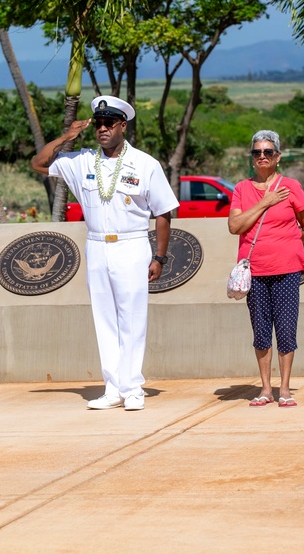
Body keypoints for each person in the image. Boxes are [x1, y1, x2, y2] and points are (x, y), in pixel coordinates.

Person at [31, 96, 178, 411]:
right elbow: (38, 164)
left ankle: (133, 387)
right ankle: (113, 387)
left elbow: (164, 212)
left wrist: (160, 256)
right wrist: (66, 138)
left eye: (109, 123)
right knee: (105, 319)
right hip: (97, 245)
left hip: (132, 243)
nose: (102, 129)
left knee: (132, 317)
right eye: (98, 123)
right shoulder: (81, 160)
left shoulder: (144, 163)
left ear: (122, 126)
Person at [228, 131, 304, 407]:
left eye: (268, 152)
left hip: (287, 270)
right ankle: (266, 388)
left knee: (287, 329)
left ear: (277, 156)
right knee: (261, 330)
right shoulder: (242, 189)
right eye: (257, 152)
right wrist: (265, 201)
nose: (262, 156)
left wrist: (287, 246)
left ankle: (285, 388)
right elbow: (235, 226)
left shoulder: (290, 186)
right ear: (252, 158)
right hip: (255, 271)